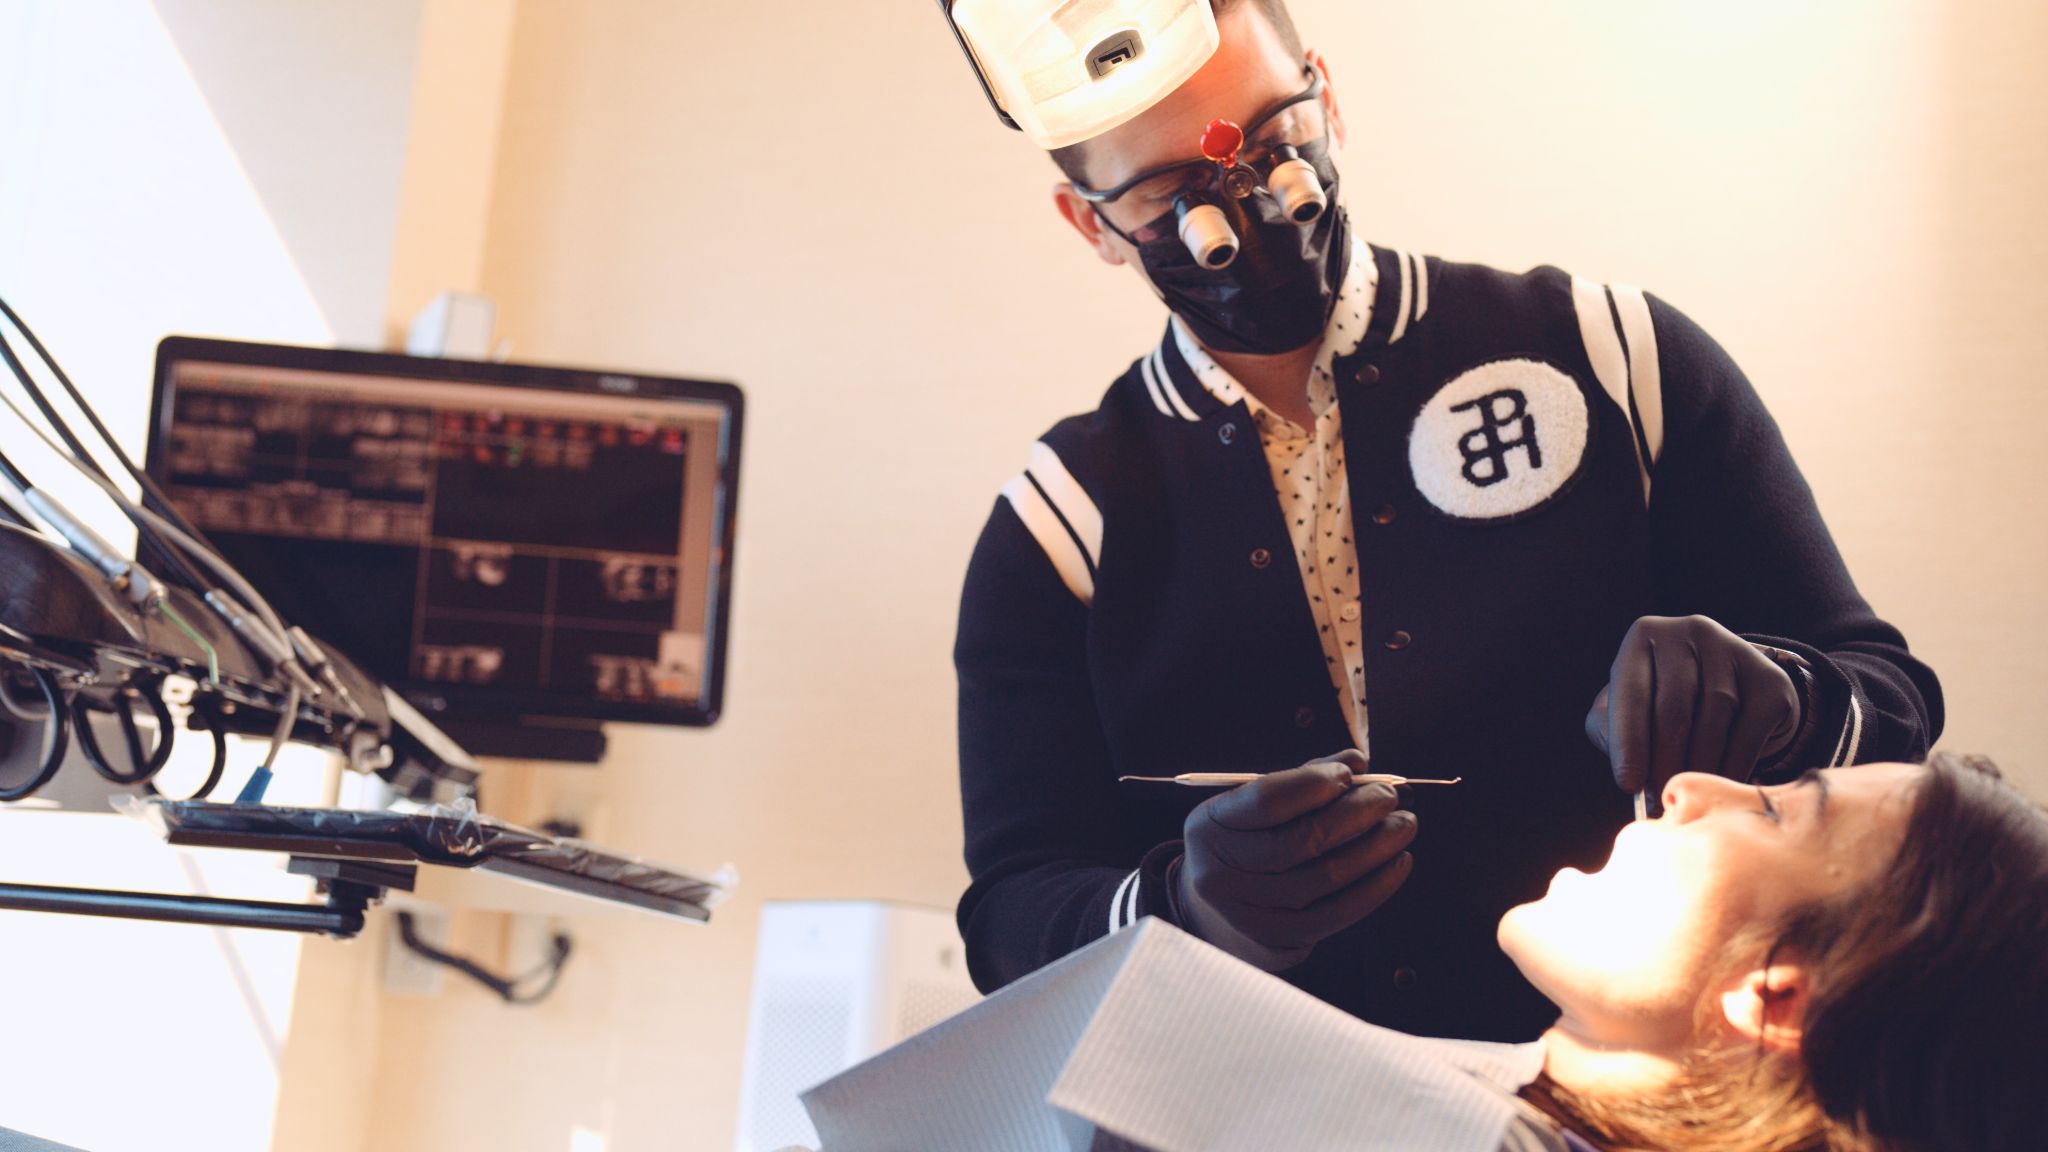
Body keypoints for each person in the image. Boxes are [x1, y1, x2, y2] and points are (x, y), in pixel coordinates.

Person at [950, 0, 1944, 1041]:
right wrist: (1177, 911)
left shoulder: (1613, 360)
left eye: (1274, 139)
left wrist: (1783, 699)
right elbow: (1008, 915)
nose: (1245, 206)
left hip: (1635, 1087)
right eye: (1165, 191)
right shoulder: (1063, 522)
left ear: (1325, 96)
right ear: (1088, 221)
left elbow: (1896, 714)